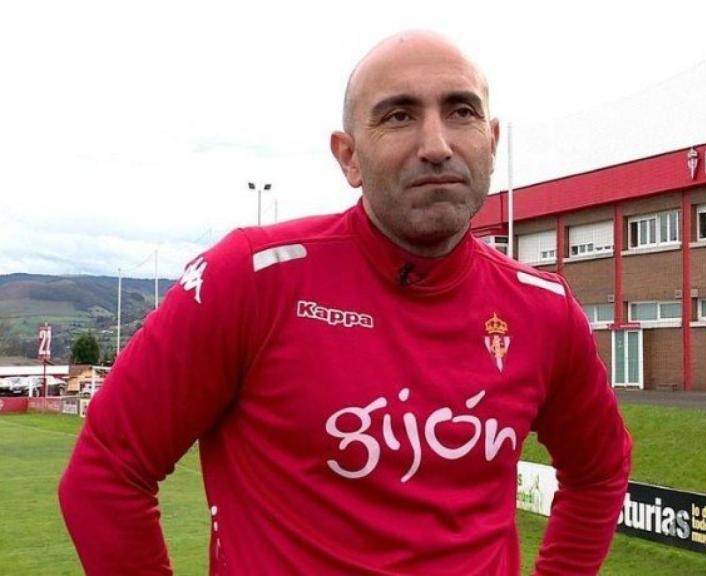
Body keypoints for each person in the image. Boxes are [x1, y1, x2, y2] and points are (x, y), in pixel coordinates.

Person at [59, 31, 632, 575]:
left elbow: (599, 471)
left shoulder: (544, 308)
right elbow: (106, 474)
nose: (437, 145)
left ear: (492, 142)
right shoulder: (252, 278)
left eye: (461, 111)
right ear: (348, 157)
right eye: (399, 115)